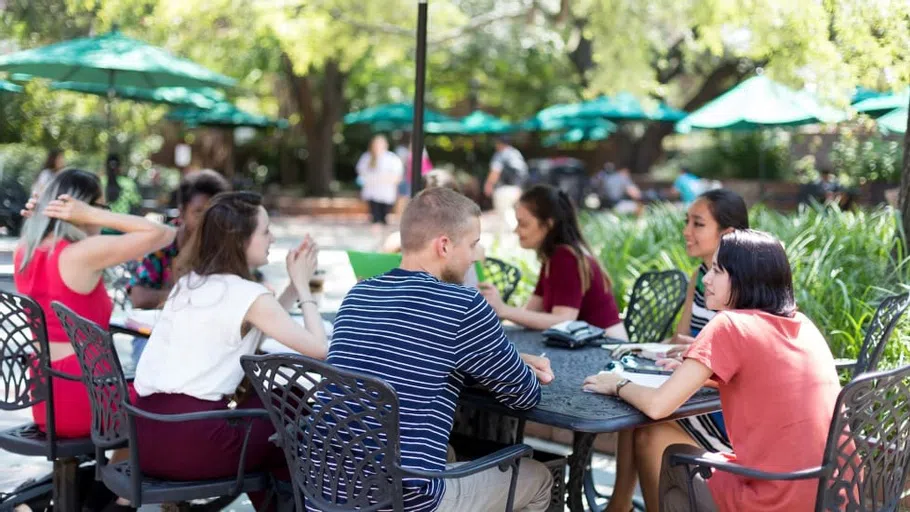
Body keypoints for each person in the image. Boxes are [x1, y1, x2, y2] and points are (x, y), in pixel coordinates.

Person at [582, 230, 841, 512]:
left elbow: (657, 406)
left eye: (717, 270)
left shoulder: (729, 324)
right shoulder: (803, 324)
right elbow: (766, 384)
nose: (706, 279)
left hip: (772, 497)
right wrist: (700, 373)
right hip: (827, 494)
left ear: (744, 278)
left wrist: (616, 383)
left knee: (651, 436)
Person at [329, 187, 554, 512]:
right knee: (538, 477)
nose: (477, 256)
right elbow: (524, 395)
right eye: (473, 244)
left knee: (447, 453)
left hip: (329, 487)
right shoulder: (461, 304)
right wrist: (516, 365)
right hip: (405, 498)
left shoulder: (357, 295)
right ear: (444, 245)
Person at [132, 191, 328, 510]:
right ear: (240, 240)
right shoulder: (248, 295)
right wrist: (304, 286)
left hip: (147, 437)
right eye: (265, 231)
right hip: (192, 444)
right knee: (295, 410)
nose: (272, 238)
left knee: (281, 400)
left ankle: (279, 504)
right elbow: (319, 349)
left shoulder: (190, 283)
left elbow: (266, 322)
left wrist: (293, 285)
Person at [604, 188, 749, 512]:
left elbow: (734, 362)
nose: (686, 231)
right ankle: (619, 505)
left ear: (727, 234)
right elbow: (680, 338)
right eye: (688, 222)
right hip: (693, 393)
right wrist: (648, 350)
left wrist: (695, 353)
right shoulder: (699, 276)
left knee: (645, 428)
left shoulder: (740, 289)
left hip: (719, 413)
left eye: (698, 224)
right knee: (633, 414)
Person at [14, 169, 175, 439]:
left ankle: (109, 477)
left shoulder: (25, 250)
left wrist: (49, 214)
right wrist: (93, 214)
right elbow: (165, 234)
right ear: (80, 208)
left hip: (45, 397)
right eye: (101, 205)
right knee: (169, 401)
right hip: (89, 396)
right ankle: (121, 478)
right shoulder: (80, 254)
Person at [480, 184, 627, 337]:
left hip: (607, 348)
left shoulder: (566, 257)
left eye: (523, 224)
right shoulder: (552, 257)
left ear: (548, 225)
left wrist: (504, 309)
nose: (516, 231)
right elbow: (530, 312)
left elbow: (563, 320)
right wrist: (497, 311)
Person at [356, 135, 404, 230]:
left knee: (384, 216)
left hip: (386, 192)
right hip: (372, 192)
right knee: (375, 217)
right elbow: (361, 172)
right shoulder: (367, 157)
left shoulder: (392, 158)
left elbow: (398, 174)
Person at [484, 137, 528, 230]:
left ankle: (515, 232)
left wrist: (489, 185)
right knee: (511, 211)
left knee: (505, 213)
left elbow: (495, 171)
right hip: (518, 188)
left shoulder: (501, 154)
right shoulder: (515, 153)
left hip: (505, 189)